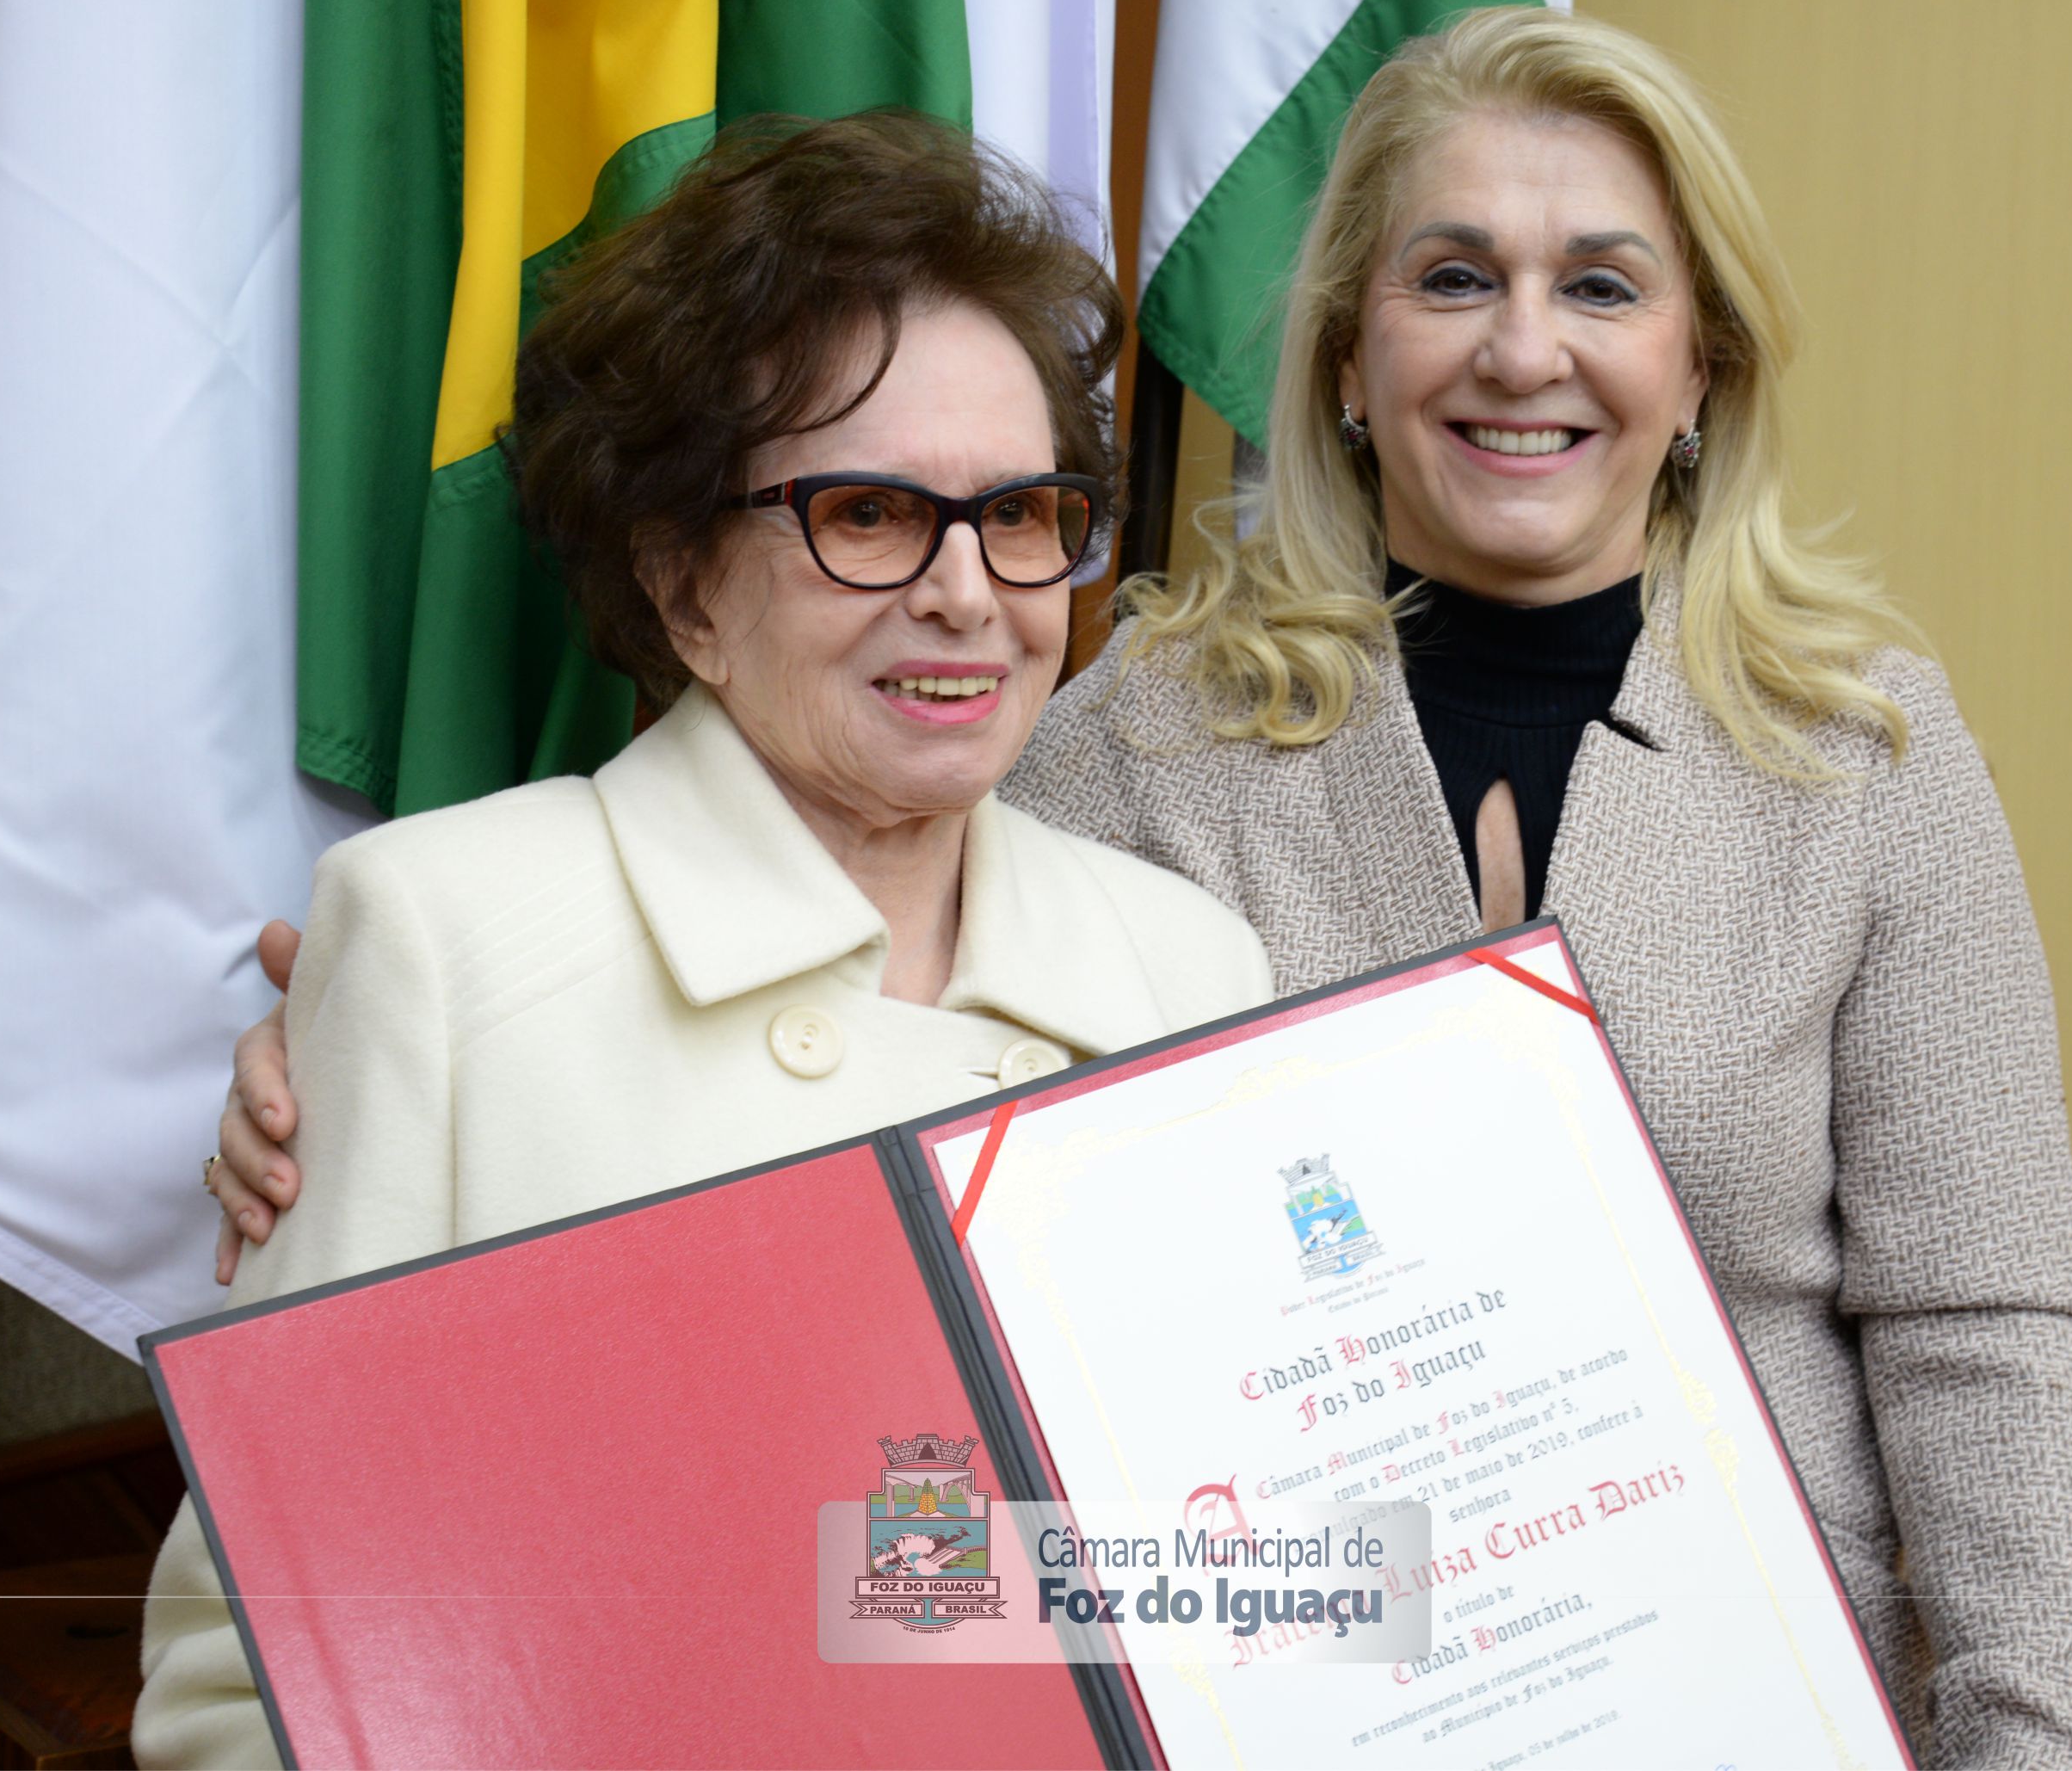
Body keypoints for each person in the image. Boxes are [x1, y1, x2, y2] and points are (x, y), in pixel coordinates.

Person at [212, 9, 2072, 1762]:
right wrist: (366, 1045)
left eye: (1603, 286)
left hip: (1750, 1699)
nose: (1522, 346)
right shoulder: (1132, 737)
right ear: (1345, 358)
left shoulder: (1858, 749)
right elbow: (853, 873)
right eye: (1452, 277)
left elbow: (1986, 1326)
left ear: (1700, 360)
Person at [136, 114, 1272, 1768]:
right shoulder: (443, 943)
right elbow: (242, 1691)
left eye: (1023, 513)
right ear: (680, 584)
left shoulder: (1193, 966)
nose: (968, 592)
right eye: (871, 514)